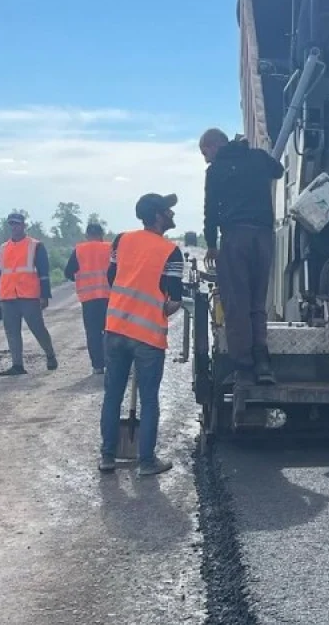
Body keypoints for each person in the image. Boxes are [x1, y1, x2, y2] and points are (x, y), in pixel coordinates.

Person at [98, 194, 184, 477]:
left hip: (115, 329)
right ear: (158, 216)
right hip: (147, 336)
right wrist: (166, 306)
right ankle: (146, 462)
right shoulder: (170, 251)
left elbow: (112, 278)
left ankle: (108, 457)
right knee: (149, 400)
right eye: (167, 210)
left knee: (112, 395)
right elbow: (173, 299)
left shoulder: (121, 240)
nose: (172, 214)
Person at [199, 127, 283, 384]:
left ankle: (243, 367)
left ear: (215, 145)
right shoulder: (256, 157)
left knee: (236, 305)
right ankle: (263, 364)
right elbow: (278, 170)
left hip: (236, 238)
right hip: (263, 238)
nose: (206, 158)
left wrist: (212, 244)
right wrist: (249, 150)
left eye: (205, 152)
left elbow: (211, 210)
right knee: (258, 303)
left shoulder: (215, 171)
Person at [0, 211, 58, 376]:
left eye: (16, 223)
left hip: (28, 295)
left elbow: (44, 273)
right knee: (12, 332)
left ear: (23, 225)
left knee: (37, 328)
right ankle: (17, 365)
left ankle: (50, 354)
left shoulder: (36, 245)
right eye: (11, 224)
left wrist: (44, 295)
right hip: (7, 296)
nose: (14, 227)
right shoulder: (3, 248)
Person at [64, 220, 112, 373]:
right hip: (109, 297)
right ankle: (112, 362)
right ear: (101, 235)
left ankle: (97, 366)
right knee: (111, 331)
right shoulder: (110, 248)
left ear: (87, 235)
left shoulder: (79, 250)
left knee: (93, 332)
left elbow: (68, 272)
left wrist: (79, 278)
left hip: (88, 298)